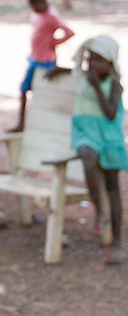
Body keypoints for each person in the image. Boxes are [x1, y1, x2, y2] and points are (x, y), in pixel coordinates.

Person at [49, 36, 125, 264]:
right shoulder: (84, 76)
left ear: (110, 64)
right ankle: (99, 210)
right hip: (85, 135)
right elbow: (73, 72)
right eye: (89, 59)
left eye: (98, 61)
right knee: (86, 154)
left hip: (108, 137)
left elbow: (111, 113)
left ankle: (117, 243)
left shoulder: (112, 84)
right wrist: (58, 70)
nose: (92, 65)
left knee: (113, 188)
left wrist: (95, 87)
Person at [9, 0, 75, 132]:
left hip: (46, 61)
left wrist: (54, 43)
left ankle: (44, 126)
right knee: (24, 89)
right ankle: (22, 123)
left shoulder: (52, 16)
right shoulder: (35, 13)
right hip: (35, 58)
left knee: (44, 94)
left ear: (41, 1)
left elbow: (69, 32)